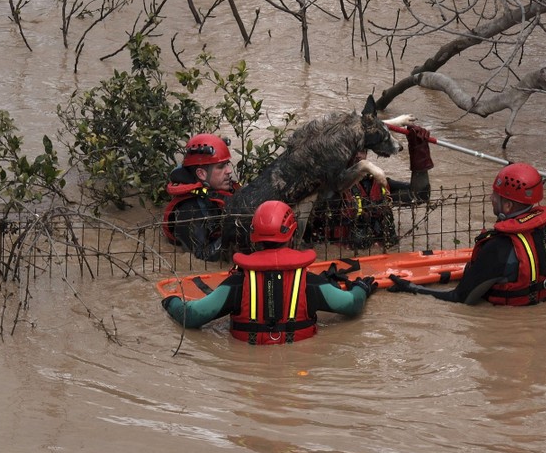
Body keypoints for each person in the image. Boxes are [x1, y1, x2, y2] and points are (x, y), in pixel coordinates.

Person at [161, 200, 378, 344]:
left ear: (254, 237)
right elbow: (352, 305)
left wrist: (170, 302)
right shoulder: (311, 284)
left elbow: (192, 317)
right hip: (297, 367)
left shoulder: (236, 285)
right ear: (292, 235)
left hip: (249, 371)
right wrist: (361, 288)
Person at [386, 162, 546, 305]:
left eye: (495, 195)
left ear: (508, 205)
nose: (491, 198)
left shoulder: (499, 247)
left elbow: (460, 298)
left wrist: (411, 288)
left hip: (505, 331)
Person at [304, 124, 435, 249]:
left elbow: (419, 195)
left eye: (362, 150)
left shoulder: (377, 182)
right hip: (336, 259)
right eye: (352, 150)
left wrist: (419, 151)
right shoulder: (322, 186)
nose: (358, 155)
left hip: (380, 259)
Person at [162, 134, 239, 262]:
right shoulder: (189, 211)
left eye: (227, 164)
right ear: (201, 174)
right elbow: (202, 257)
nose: (229, 171)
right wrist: (233, 231)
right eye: (221, 167)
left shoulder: (217, 189)